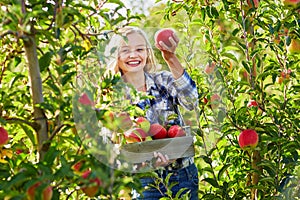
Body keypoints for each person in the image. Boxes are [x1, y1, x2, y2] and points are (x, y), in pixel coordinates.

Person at [104, 26, 199, 199]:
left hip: (184, 175)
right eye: (126, 50)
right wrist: (145, 161)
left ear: (148, 53)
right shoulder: (112, 96)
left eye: (139, 49)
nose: (133, 55)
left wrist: (170, 58)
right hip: (145, 182)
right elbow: (109, 144)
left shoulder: (163, 80)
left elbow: (191, 101)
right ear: (116, 56)